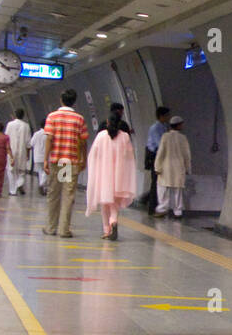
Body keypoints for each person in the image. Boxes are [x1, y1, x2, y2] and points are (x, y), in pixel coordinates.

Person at [85, 105, 137, 240]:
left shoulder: (101, 136)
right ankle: (113, 220)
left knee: (105, 204)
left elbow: (93, 155)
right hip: (119, 175)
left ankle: (107, 230)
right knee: (114, 203)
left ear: (107, 123)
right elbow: (129, 156)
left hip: (103, 175)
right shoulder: (125, 136)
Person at [43, 89, 89, 237]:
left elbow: (49, 138)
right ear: (74, 101)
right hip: (70, 162)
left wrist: (45, 159)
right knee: (68, 196)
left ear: (61, 100)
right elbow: (83, 141)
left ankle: (51, 228)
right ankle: (64, 229)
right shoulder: (79, 119)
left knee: (53, 194)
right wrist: (83, 159)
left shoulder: (52, 117)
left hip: (57, 161)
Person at [153, 115, 191, 218]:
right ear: (178, 125)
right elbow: (187, 155)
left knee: (163, 189)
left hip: (166, 167)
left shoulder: (165, 136)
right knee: (177, 191)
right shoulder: (183, 138)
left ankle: (162, 208)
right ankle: (178, 212)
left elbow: (160, 152)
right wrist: (188, 168)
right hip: (179, 167)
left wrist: (157, 167)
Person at [138, 106, 170, 210]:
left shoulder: (164, 127)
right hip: (154, 156)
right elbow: (159, 143)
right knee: (155, 180)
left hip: (160, 156)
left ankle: (150, 200)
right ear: (161, 116)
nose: (168, 117)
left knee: (157, 181)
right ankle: (151, 205)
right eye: (166, 115)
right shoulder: (155, 128)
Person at [5, 108, 31, 196]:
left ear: (15, 115)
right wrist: (28, 154)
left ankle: (13, 190)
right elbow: (28, 142)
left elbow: (6, 138)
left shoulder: (10, 124)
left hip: (11, 151)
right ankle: (19, 184)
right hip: (22, 151)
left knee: (11, 170)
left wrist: (6, 150)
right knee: (22, 171)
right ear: (23, 116)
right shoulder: (26, 126)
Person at [29, 124, 49, 196]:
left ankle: (44, 188)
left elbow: (31, 143)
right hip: (45, 157)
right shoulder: (48, 135)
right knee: (46, 172)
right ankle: (42, 185)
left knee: (40, 172)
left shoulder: (36, 134)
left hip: (37, 157)